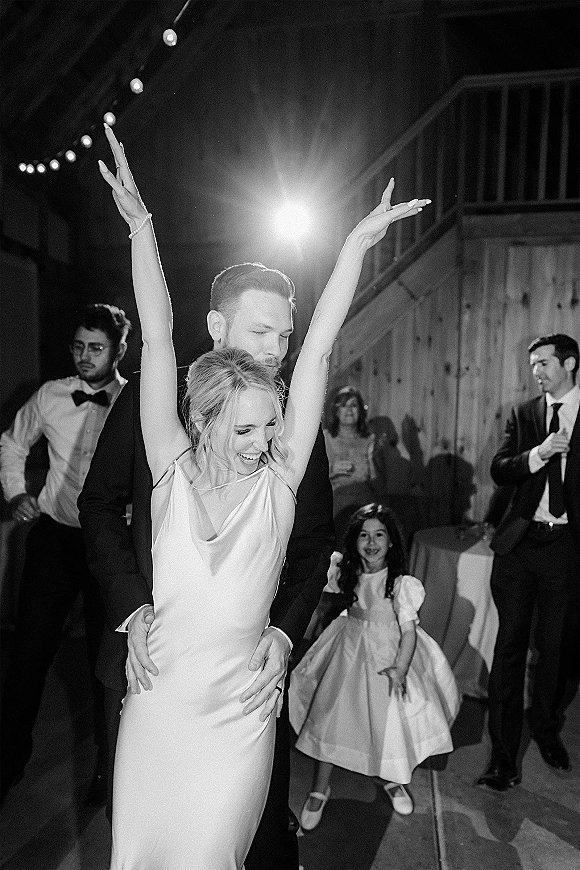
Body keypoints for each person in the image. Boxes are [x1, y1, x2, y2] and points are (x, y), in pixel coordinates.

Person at [97, 124, 429, 870]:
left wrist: (354, 248)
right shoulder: (168, 470)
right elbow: (157, 338)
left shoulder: (279, 480)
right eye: (245, 429)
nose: (262, 442)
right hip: (156, 703)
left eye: (272, 425)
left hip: (241, 709)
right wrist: (141, 227)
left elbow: (317, 350)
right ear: (205, 420)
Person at [0, 303, 131, 806]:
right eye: (78, 346)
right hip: (55, 537)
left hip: (109, 543)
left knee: (107, 663)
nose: (84, 356)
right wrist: (16, 493)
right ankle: (9, 760)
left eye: (96, 347)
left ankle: (107, 768)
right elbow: (13, 443)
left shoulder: (134, 401)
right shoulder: (51, 395)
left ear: (119, 350)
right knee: (29, 654)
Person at [290, 503, 459, 828]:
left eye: (379, 535)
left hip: (387, 654)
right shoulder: (345, 573)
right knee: (334, 713)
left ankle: (392, 776)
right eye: (364, 535)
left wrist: (401, 667)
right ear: (354, 541)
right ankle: (320, 787)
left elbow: (408, 632)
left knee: (387, 719)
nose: (371, 542)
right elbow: (316, 581)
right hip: (349, 649)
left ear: (391, 541)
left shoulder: (401, 584)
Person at [478, 333, 579, 791]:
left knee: (555, 650)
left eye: (543, 363)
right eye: (533, 364)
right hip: (519, 546)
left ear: (569, 364)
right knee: (509, 649)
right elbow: (500, 469)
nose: (536, 371)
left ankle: (547, 730)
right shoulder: (524, 414)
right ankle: (502, 758)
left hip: (566, 548)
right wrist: (539, 454)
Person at [324, 386, 377, 540]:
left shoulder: (369, 440)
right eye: (343, 405)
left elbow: (375, 479)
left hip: (364, 501)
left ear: (360, 410)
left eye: (353, 405)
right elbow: (313, 478)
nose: (349, 410)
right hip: (335, 503)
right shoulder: (326, 438)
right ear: (336, 411)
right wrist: (332, 470)